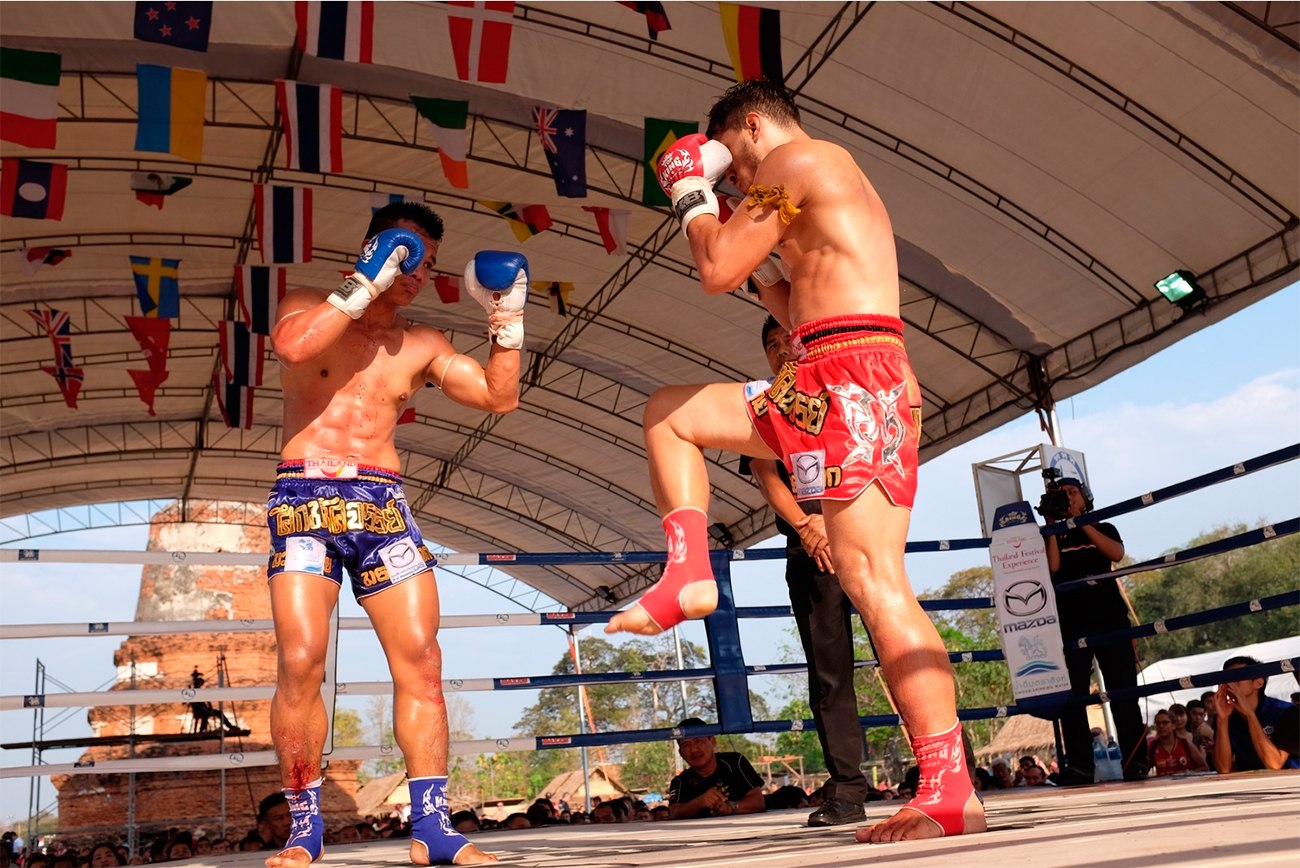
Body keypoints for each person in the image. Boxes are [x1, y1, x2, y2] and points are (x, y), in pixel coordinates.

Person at [604, 78, 984, 843]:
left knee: (875, 583)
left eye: (733, 166)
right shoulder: (815, 181)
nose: (736, 182)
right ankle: (688, 572)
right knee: (669, 414)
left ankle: (949, 788)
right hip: (825, 370)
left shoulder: (795, 160)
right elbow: (785, 301)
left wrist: (690, 192)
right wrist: (764, 268)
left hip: (851, 375)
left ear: (749, 128)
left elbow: (712, 269)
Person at [266, 201, 528, 867]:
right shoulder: (306, 302)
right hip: (304, 499)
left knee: (423, 662)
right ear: (374, 247)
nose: (418, 274)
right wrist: (365, 280)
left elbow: (498, 397)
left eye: (429, 265)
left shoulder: (424, 343)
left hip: (381, 506)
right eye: (409, 256)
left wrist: (507, 319)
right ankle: (304, 827)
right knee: (300, 661)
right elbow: (294, 346)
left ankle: (433, 827)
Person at [739, 316, 867, 827]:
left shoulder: (844, 386)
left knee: (902, 653)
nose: (779, 352)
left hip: (862, 538)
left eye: (785, 341)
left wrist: (839, 523)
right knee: (829, 676)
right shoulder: (766, 404)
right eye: (769, 345)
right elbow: (765, 472)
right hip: (809, 553)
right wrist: (806, 526)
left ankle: (951, 770)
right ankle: (849, 789)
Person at [1042, 473, 1149, 784]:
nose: (1067, 497)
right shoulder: (1052, 534)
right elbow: (1053, 568)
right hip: (1070, 622)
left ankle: (1135, 761)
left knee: (1123, 691)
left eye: (1072, 492)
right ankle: (1079, 767)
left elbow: (1115, 554)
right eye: (1061, 494)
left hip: (1110, 618)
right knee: (1072, 698)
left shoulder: (1103, 526)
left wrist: (1082, 521)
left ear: (1085, 496)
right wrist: (1053, 526)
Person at [1211, 656, 1300, 772]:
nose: (1230, 683)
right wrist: (1222, 719)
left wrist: (1250, 715)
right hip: (1250, 786)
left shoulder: (1285, 712)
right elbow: (1223, 768)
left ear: (1258, 683)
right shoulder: (1226, 716)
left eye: (1238, 677)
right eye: (1226, 678)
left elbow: (1274, 764)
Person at [666, 717, 766, 819]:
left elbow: (758, 802)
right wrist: (699, 802)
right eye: (686, 745)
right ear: (681, 753)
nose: (693, 749)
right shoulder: (680, 782)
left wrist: (731, 807)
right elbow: (674, 813)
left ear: (713, 741)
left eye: (698, 741)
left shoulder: (735, 762)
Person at [1147, 709, 1208, 775]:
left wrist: (1189, 774)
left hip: (1185, 784)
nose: (1161, 726)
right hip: (1164, 785)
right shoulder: (1153, 746)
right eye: (1158, 723)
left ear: (1174, 725)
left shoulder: (1185, 744)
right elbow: (1144, 771)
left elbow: (1204, 767)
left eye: (1165, 723)